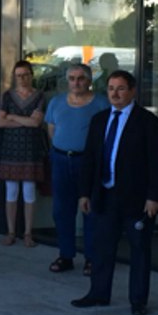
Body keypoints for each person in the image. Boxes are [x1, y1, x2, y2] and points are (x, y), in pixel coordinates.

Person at [70, 71, 158, 315]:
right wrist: (84, 193)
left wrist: (154, 197)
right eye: (111, 88)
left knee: (139, 251)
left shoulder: (147, 122)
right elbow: (89, 159)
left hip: (137, 199)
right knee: (102, 248)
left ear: (132, 91)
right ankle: (98, 293)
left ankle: (138, 301)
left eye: (121, 88)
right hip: (105, 195)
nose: (115, 94)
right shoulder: (99, 120)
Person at [45, 63, 108, 274]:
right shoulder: (56, 102)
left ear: (89, 81)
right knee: (61, 210)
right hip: (61, 160)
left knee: (90, 209)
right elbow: (51, 130)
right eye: (72, 78)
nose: (76, 83)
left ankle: (91, 257)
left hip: (88, 163)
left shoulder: (101, 103)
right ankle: (66, 255)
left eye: (80, 78)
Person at [0, 60, 47, 248]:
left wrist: (12, 116)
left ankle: (27, 233)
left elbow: (36, 123)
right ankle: (11, 232)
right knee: (11, 192)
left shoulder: (39, 96)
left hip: (30, 149)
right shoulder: (7, 96)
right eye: (18, 75)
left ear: (31, 75)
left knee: (29, 191)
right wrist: (24, 120)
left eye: (25, 74)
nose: (22, 78)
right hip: (11, 149)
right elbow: (1, 122)